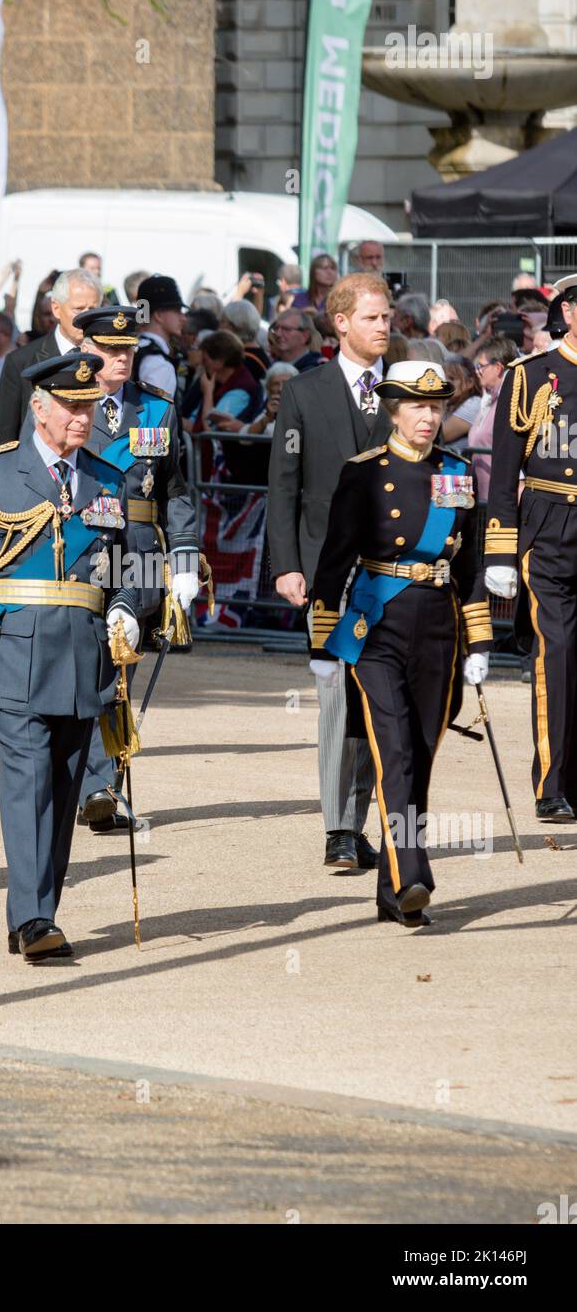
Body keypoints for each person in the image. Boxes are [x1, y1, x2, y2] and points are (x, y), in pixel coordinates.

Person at [0, 351, 140, 961]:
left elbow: (126, 566)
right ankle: (31, 918)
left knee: (64, 780)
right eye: (72, 406)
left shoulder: (108, 478)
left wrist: (129, 605)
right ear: (39, 407)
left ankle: (37, 909)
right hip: (14, 653)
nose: (84, 416)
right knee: (28, 782)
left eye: (88, 406)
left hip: (85, 658)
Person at [310, 360, 492, 926]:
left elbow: (473, 565)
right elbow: (335, 556)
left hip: (440, 628)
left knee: (420, 759)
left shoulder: (458, 472)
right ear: (393, 410)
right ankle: (414, 873)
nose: (428, 417)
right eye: (416, 406)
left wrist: (480, 641)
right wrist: (321, 640)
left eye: (436, 406)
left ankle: (393, 891)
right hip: (377, 626)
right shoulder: (364, 473)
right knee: (396, 754)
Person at [267, 272, 395, 871]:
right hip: (327, 572)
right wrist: (287, 566)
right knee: (334, 697)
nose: (384, 326)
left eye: (388, 317)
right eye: (372, 317)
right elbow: (284, 486)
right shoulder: (304, 391)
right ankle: (337, 828)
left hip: (393, 575)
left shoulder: (404, 390)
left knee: (379, 700)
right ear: (341, 322)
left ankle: (358, 820)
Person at [71, 306, 200, 830]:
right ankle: (81, 780)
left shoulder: (157, 410)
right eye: (110, 349)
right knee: (80, 668)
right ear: (87, 351)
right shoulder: (65, 404)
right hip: (81, 549)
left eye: (128, 349)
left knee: (120, 673)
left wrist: (186, 559)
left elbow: (178, 491)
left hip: (141, 554)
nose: (122, 359)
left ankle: (106, 785)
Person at [484, 273, 577, 821]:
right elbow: (503, 474)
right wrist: (499, 551)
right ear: (567, 309)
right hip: (550, 525)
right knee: (557, 654)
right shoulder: (533, 376)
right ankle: (553, 783)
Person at [0, 268, 101, 443]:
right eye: (79, 309)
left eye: (93, 309)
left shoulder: (112, 360)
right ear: (56, 309)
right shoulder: (21, 361)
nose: (87, 318)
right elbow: (3, 433)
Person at [466, 335, 518, 502]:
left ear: (498, 368)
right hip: (480, 497)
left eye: (481, 366)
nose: (477, 371)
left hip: (497, 501)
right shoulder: (489, 399)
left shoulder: (511, 401)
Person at [132, 274, 187, 401]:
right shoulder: (157, 362)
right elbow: (156, 416)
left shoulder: (135, 348)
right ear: (159, 315)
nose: (183, 318)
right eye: (177, 310)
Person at [267, 308, 324, 375]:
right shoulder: (272, 367)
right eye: (276, 328)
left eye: (286, 329)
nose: (278, 334)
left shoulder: (316, 370)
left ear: (305, 336)